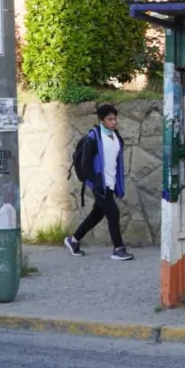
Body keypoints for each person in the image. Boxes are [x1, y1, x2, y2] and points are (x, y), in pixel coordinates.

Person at [64, 104, 134, 261]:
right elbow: (85, 163)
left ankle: (73, 240)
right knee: (113, 213)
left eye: (115, 118)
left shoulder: (115, 135)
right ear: (102, 120)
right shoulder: (93, 137)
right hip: (100, 183)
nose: (114, 122)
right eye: (110, 119)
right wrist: (95, 182)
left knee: (97, 213)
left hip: (110, 182)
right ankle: (118, 249)